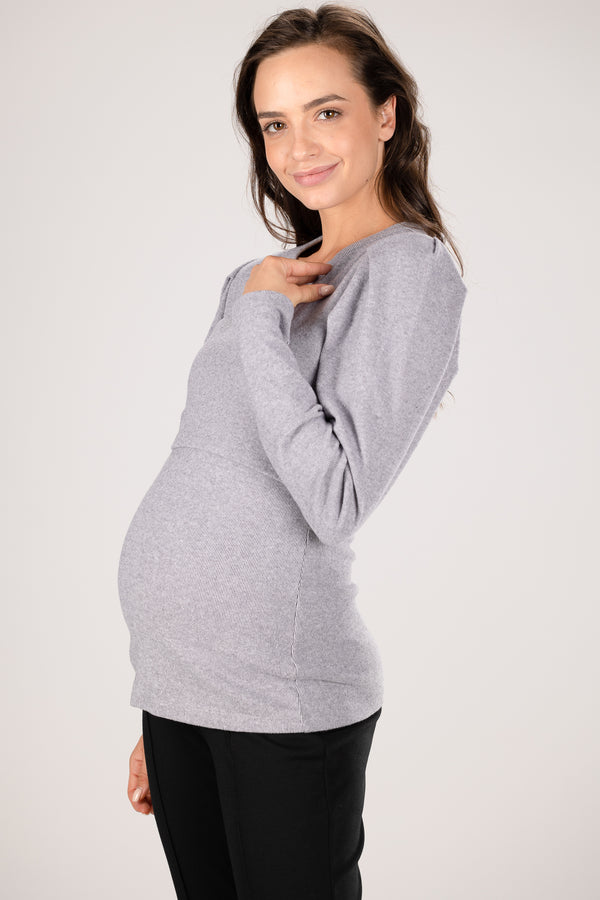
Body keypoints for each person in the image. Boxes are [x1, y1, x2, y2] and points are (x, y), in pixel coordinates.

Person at [119, 4, 467, 898]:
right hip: (183, 692)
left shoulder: (410, 272)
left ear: (385, 114)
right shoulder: (260, 279)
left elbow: (335, 497)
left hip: (284, 697)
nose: (297, 146)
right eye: (273, 123)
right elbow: (207, 466)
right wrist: (161, 695)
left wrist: (262, 318)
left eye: (326, 112)